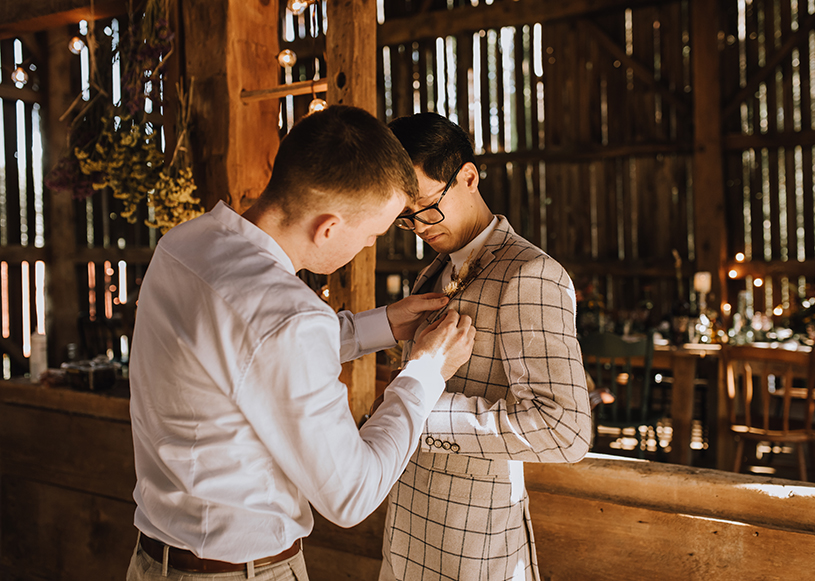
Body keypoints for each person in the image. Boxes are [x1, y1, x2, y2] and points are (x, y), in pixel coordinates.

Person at [126, 105, 476, 581]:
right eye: (371, 234)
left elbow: (250, 356)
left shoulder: (185, 243)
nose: (368, 246)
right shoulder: (288, 315)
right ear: (328, 227)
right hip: (240, 572)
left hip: (152, 561)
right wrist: (425, 372)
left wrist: (383, 324)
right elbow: (351, 494)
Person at [376, 112, 593, 581]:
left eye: (427, 207)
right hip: (405, 531)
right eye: (405, 218)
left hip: (475, 543)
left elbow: (565, 429)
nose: (419, 226)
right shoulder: (434, 270)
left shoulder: (531, 275)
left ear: (468, 177)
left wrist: (421, 414)